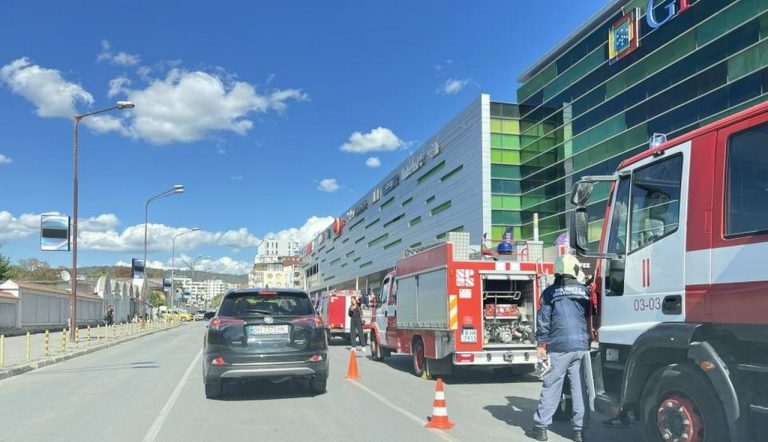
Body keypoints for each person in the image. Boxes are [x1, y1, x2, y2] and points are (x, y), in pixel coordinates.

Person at [526, 255, 591, 442]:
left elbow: (543, 320)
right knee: (580, 389)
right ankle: (579, 431)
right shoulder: (584, 291)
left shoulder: (550, 293)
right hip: (581, 346)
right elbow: (591, 316)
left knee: (551, 386)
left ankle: (540, 428)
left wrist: (541, 344)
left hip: (559, 347)